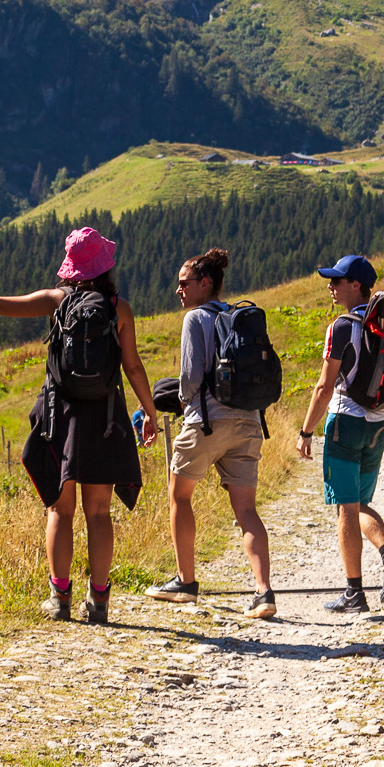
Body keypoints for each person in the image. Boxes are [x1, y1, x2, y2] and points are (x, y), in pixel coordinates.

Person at [0, 225, 159, 624]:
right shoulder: (119, 308)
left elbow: (0, 306)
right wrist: (149, 412)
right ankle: (99, 603)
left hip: (60, 418)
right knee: (98, 513)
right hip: (105, 417)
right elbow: (132, 365)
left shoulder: (55, 301)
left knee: (60, 511)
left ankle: (59, 600)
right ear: (105, 266)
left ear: (70, 268)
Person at [144, 248, 279, 619]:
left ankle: (186, 582)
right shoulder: (239, 316)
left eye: (184, 283)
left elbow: (190, 377)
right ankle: (264, 592)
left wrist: (179, 400)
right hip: (249, 422)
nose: (179, 291)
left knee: (179, 495)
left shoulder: (196, 319)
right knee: (247, 510)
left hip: (207, 421)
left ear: (206, 283)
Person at [295, 253, 384, 613]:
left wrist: (306, 430)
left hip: (345, 421)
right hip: (379, 424)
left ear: (356, 285)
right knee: (358, 502)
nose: (330, 286)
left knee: (346, 506)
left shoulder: (341, 327)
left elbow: (324, 387)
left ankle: (354, 593)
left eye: (336, 281)